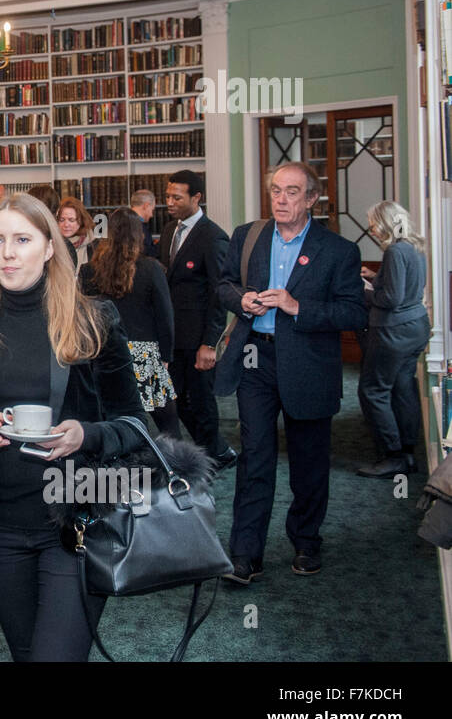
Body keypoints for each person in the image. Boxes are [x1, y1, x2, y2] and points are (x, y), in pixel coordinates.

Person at [0, 193, 147, 662]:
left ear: (50, 247)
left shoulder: (95, 320)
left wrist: (84, 435)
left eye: (23, 239)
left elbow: (136, 424)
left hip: (75, 526)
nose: (8, 253)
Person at [215, 162, 367, 582]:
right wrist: (241, 299)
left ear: (312, 199)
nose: (281, 200)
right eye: (276, 191)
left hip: (309, 365)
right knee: (255, 458)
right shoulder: (248, 236)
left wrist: (297, 307)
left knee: (309, 462)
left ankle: (305, 541)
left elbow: (354, 312)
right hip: (255, 362)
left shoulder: (338, 250)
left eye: (292, 192)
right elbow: (224, 283)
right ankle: (245, 555)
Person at [80, 208, 180, 438]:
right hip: (144, 354)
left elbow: (84, 317)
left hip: (105, 356)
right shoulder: (151, 268)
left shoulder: (88, 271)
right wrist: (165, 357)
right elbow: (165, 317)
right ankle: (176, 472)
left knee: (113, 425)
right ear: (139, 235)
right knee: (169, 429)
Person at [160, 170, 235, 468]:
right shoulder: (168, 230)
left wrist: (210, 343)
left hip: (198, 337)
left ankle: (211, 457)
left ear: (196, 197)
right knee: (171, 399)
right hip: (172, 335)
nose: (169, 202)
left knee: (202, 402)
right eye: (168, 196)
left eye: (177, 197)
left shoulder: (213, 236)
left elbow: (220, 294)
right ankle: (214, 450)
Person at [356, 200, 430, 478]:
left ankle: (392, 456)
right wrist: (376, 277)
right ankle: (407, 453)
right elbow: (406, 287)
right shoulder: (414, 247)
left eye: (374, 223)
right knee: (402, 387)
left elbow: (390, 299)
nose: (372, 229)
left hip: (393, 332)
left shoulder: (395, 251)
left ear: (387, 223)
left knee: (373, 390)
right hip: (416, 327)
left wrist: (360, 290)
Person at [56, 197, 94, 271]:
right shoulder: (51, 246)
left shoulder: (93, 246)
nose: (66, 224)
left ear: (81, 221)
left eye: (71, 220)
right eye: (62, 220)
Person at [129, 189, 160, 259]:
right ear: (146, 205)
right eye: (152, 210)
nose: (152, 215)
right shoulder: (138, 227)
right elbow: (146, 253)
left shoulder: (120, 222)